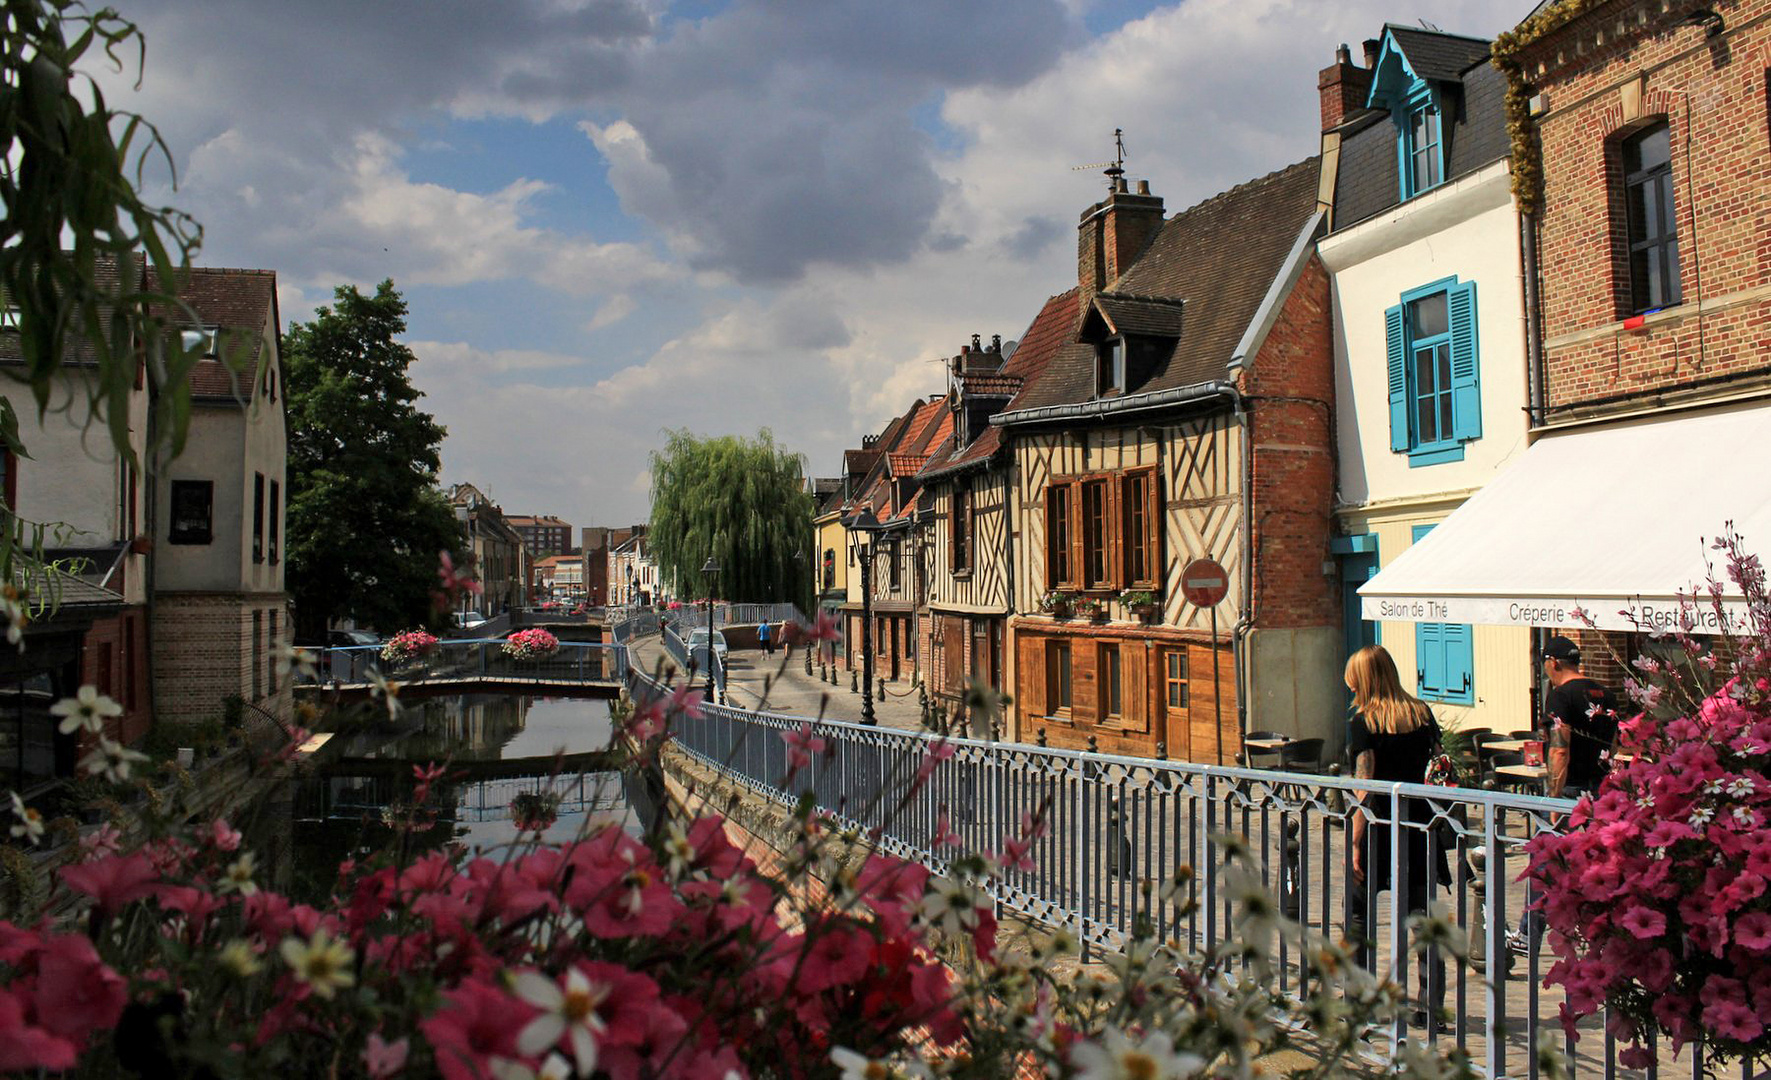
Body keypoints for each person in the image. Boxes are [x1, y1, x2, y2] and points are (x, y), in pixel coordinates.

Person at [1343, 644, 1449, 1030]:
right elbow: (1439, 762)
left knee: (1358, 913)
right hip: (1420, 824)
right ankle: (1429, 1008)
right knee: (1423, 921)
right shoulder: (1421, 713)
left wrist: (1355, 840)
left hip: (1379, 825)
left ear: (1363, 680)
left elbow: (1364, 782)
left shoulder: (1364, 722)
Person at [1509, 634, 1621, 956]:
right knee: (1598, 864)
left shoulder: (1560, 697)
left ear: (1553, 663)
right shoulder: (1607, 695)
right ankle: (1602, 936)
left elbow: (1559, 750)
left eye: (1547, 666)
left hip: (1569, 792)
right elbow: (1614, 747)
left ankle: (1528, 937)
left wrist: (1553, 800)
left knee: (1545, 863)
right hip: (1599, 791)